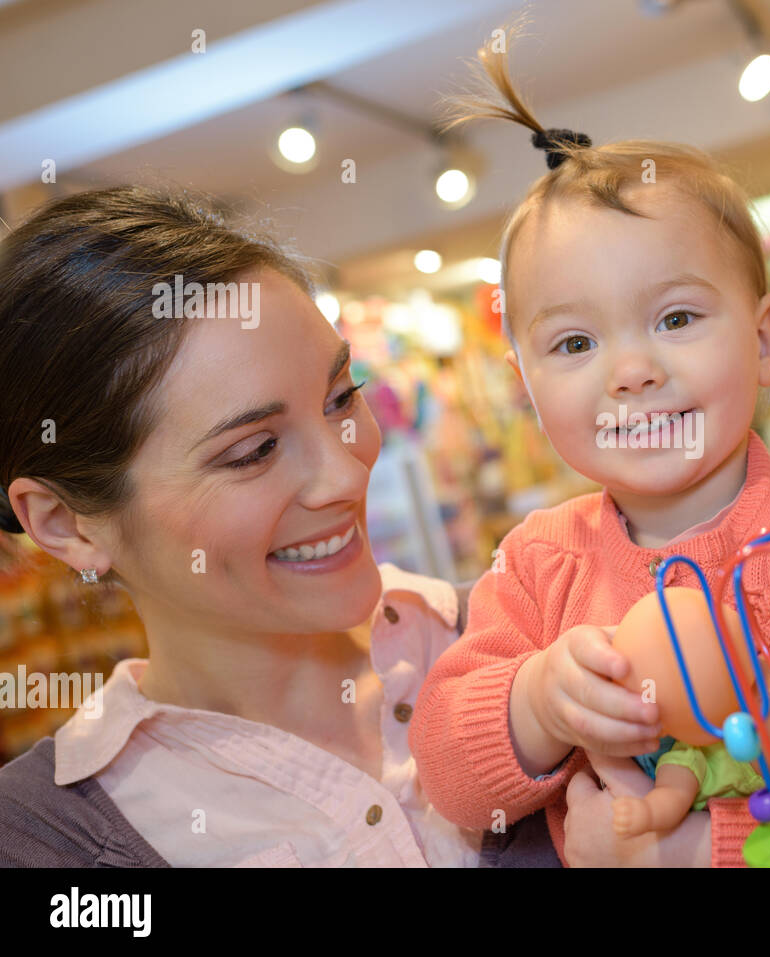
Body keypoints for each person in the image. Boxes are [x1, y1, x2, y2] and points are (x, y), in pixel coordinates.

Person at [409, 27, 770, 868]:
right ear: (525, 385)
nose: (631, 371)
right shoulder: (534, 565)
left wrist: (709, 849)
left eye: (675, 319)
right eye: (575, 343)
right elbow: (452, 782)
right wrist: (539, 705)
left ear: (767, 341)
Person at [0, 186, 481, 867]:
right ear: (65, 523)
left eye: (341, 398)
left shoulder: (522, 632)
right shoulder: (40, 844)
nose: (345, 475)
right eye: (254, 450)